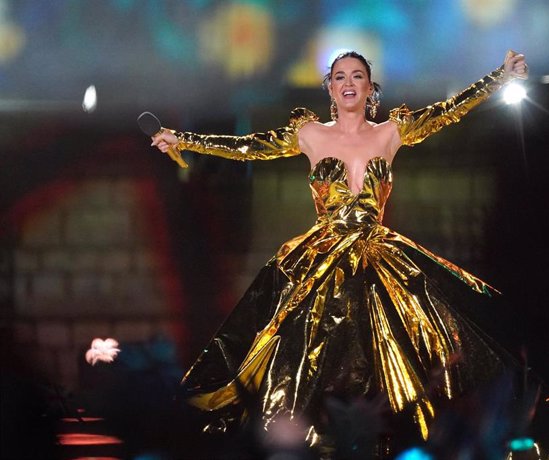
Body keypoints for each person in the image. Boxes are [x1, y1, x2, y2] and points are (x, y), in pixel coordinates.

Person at [151, 50, 528, 449]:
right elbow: (247, 146)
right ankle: (301, 444)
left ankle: (399, 442)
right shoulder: (310, 133)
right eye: (340, 77)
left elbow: (450, 110)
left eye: (357, 76)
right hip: (322, 259)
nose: (348, 83)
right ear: (330, 88)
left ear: (370, 87)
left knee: (405, 349)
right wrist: (185, 139)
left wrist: (500, 77)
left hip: (377, 256)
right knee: (300, 356)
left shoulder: (391, 133)